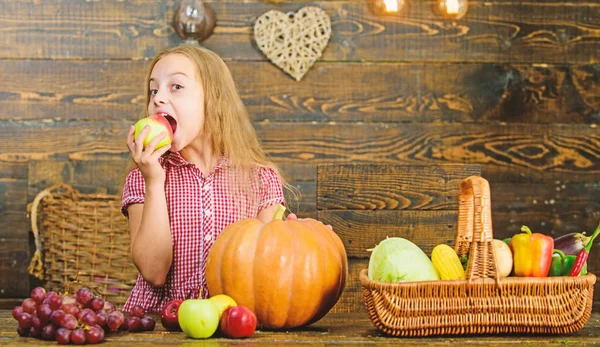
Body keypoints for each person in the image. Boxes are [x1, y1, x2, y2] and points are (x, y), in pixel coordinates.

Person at [120, 44, 296, 312]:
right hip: (157, 329)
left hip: (231, 325)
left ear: (213, 99)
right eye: (153, 90)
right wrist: (154, 181)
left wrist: (299, 238)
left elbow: (266, 274)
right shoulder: (142, 177)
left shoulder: (260, 179)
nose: (158, 98)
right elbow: (154, 272)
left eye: (176, 86)